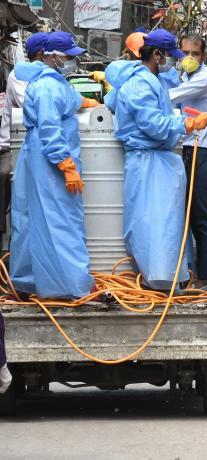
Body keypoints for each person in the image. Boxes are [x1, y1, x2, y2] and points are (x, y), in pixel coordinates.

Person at [104, 29, 207, 290]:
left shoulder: (149, 80)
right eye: (169, 56)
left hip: (157, 161)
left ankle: (168, 279)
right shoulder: (140, 84)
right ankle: (160, 281)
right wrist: (186, 123)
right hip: (148, 162)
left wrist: (182, 121)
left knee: (165, 224)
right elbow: (152, 123)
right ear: (157, 54)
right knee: (156, 225)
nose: (173, 62)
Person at [9, 31, 97, 299]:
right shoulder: (47, 87)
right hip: (50, 159)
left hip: (34, 155)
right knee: (62, 219)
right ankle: (72, 285)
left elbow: (67, 100)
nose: (72, 61)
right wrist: (66, 164)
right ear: (52, 57)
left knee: (28, 218)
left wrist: (85, 102)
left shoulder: (53, 82)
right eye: (69, 56)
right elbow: (50, 129)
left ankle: (26, 282)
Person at [168, 34, 207, 290]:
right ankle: (197, 270)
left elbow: (170, 97)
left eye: (196, 54)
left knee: (203, 217)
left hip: (202, 152)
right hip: (189, 151)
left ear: (204, 56)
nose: (189, 58)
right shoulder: (185, 76)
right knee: (190, 217)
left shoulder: (203, 78)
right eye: (185, 53)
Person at [0, 32, 48, 248]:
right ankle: (5, 245)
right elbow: (32, 106)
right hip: (11, 145)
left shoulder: (47, 75)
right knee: (7, 180)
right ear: (41, 53)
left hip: (34, 145)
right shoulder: (21, 75)